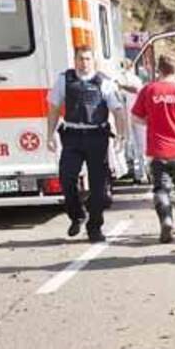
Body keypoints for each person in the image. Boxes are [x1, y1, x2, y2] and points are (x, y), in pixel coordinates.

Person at [46, 45, 128, 243]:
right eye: (81, 59)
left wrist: (121, 135)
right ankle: (77, 215)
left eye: (88, 59)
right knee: (66, 178)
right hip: (72, 135)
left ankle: (95, 226)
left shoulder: (104, 82)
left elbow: (118, 111)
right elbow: (54, 108)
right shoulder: (64, 80)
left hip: (96, 136)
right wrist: (49, 134)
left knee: (99, 186)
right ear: (74, 60)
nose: (84, 63)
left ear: (94, 61)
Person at [131, 55, 175, 243]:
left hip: (158, 151)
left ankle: (166, 220)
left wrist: (152, 122)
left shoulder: (149, 90)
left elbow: (136, 118)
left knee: (161, 189)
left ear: (158, 70)